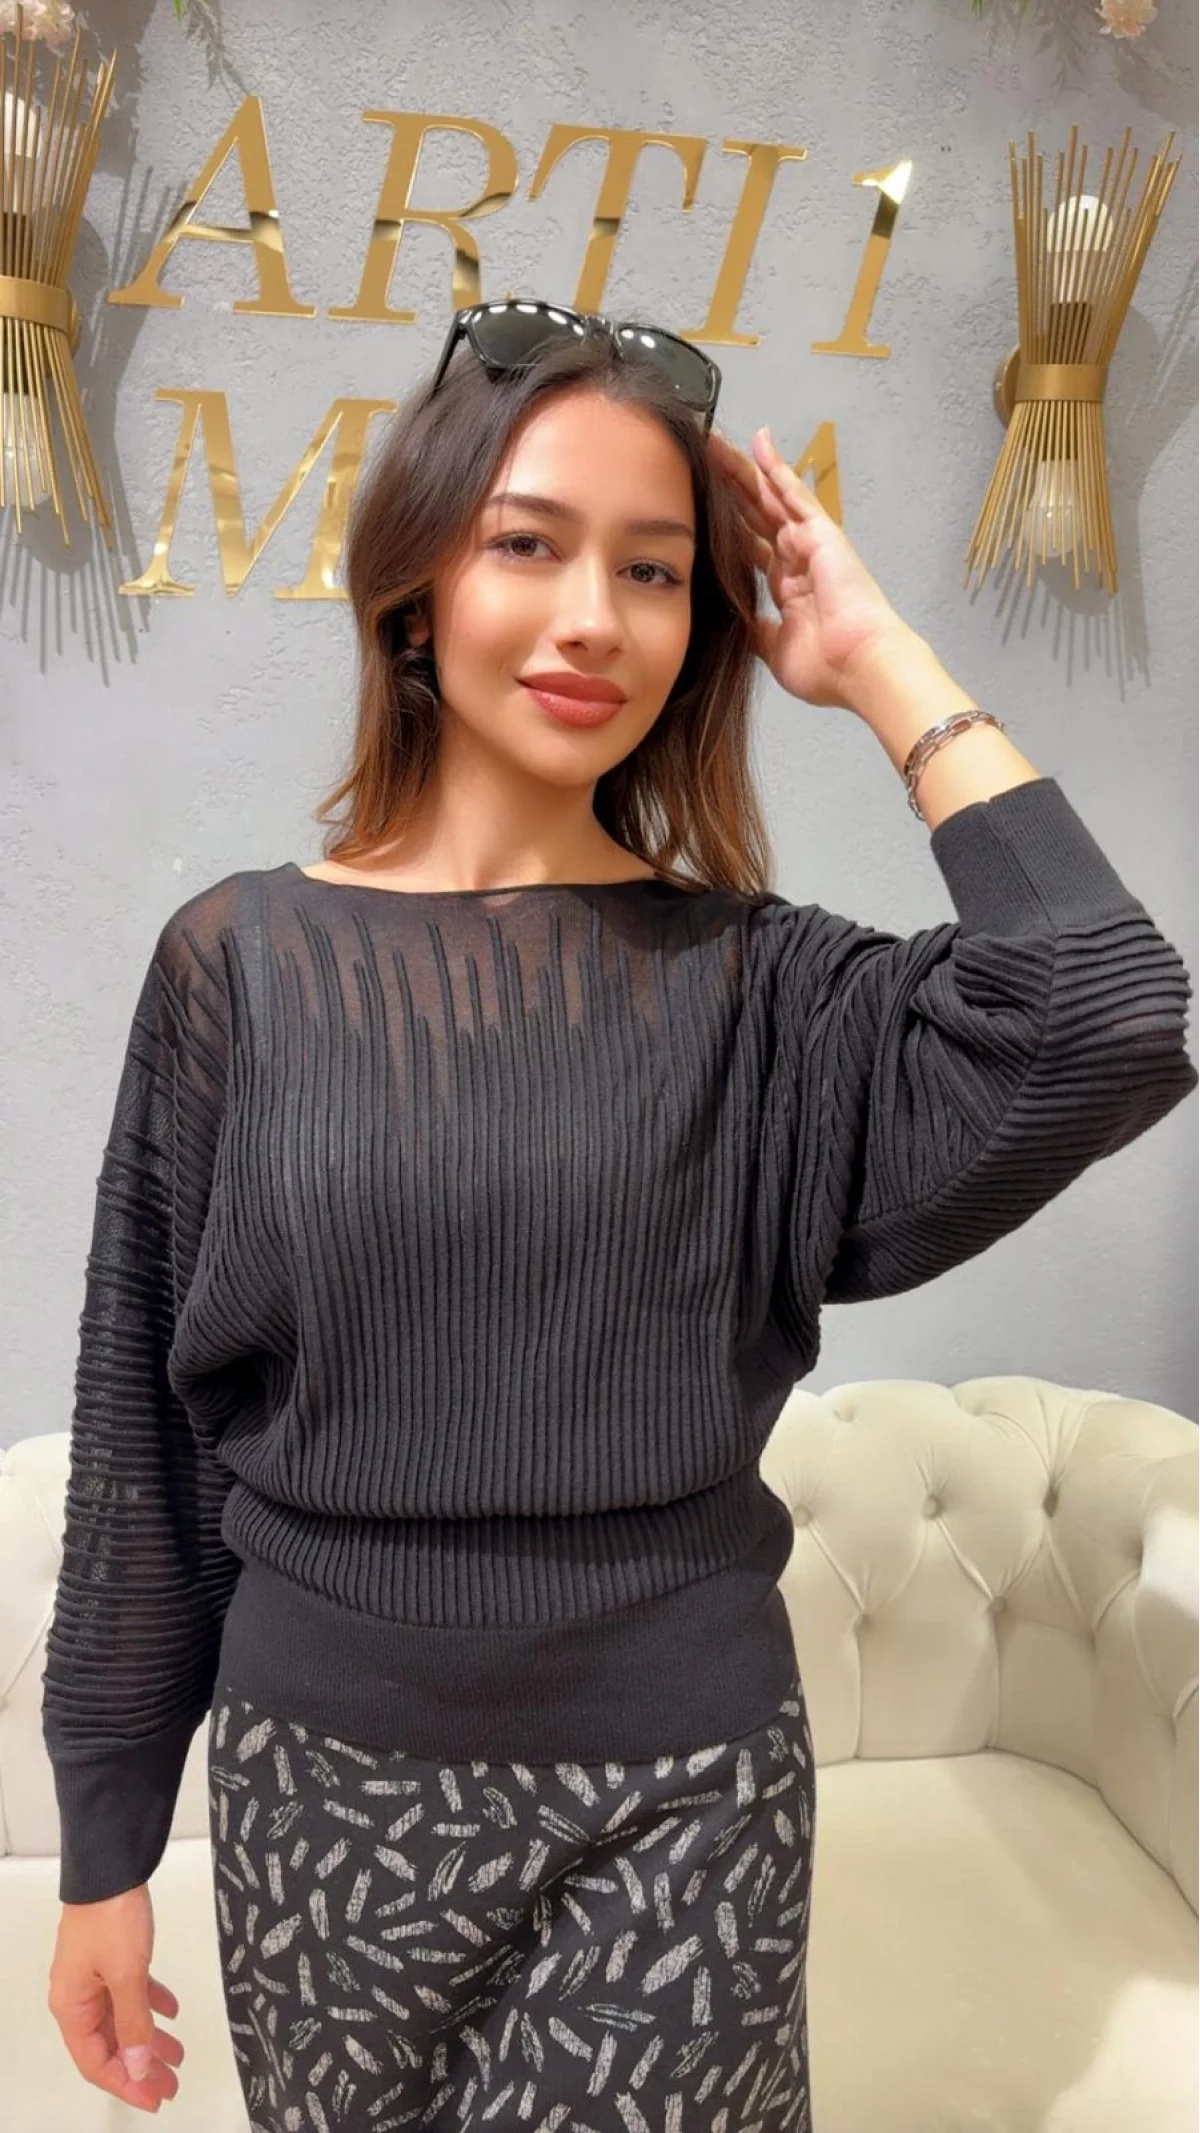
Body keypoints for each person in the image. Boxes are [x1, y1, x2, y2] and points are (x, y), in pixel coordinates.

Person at [41, 299, 1197, 2129]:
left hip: (683, 1791)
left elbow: (1104, 1013)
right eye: (529, 544)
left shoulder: (762, 991)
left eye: (655, 571)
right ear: (415, 584)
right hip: (318, 1784)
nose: (596, 618)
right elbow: (147, 1432)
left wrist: (878, 659)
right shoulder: (239, 966)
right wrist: (104, 1842)